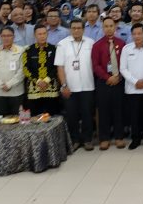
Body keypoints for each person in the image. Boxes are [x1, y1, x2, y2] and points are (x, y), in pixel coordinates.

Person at [55, 19, 96, 151]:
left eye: (79, 28)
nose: (76, 30)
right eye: (74, 28)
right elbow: (60, 67)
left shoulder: (91, 43)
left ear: (83, 29)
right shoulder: (62, 44)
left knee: (87, 114)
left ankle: (87, 139)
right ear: (70, 29)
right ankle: (75, 140)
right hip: (70, 87)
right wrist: (64, 85)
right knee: (71, 115)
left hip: (88, 85)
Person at [120, 24, 143, 149]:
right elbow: (123, 69)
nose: (137, 36)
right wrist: (135, 81)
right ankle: (135, 139)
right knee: (134, 116)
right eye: (134, 34)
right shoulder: (126, 49)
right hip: (132, 89)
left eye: (139, 33)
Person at [92, 17, 126, 150]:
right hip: (103, 82)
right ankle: (104, 138)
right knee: (104, 110)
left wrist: (118, 76)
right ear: (103, 28)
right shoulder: (97, 45)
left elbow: (125, 63)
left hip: (119, 81)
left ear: (115, 27)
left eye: (111, 26)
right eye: (106, 26)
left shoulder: (122, 43)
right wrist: (108, 77)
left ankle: (119, 137)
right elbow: (96, 66)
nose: (109, 28)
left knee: (119, 109)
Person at [0, 27, 26, 116]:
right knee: (0, 120)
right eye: (3, 36)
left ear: (14, 37)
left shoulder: (21, 50)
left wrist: (9, 84)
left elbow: (22, 71)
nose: (6, 38)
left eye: (9, 36)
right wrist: (1, 84)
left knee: (17, 119)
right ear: (0, 37)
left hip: (16, 92)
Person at [23, 26, 59, 115]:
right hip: (34, 88)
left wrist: (47, 80)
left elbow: (57, 67)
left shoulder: (54, 49)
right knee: (35, 116)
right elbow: (26, 68)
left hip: (51, 88)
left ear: (47, 34)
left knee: (52, 115)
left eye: (44, 33)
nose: (42, 36)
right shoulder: (28, 50)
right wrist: (38, 81)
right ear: (35, 35)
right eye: (39, 34)